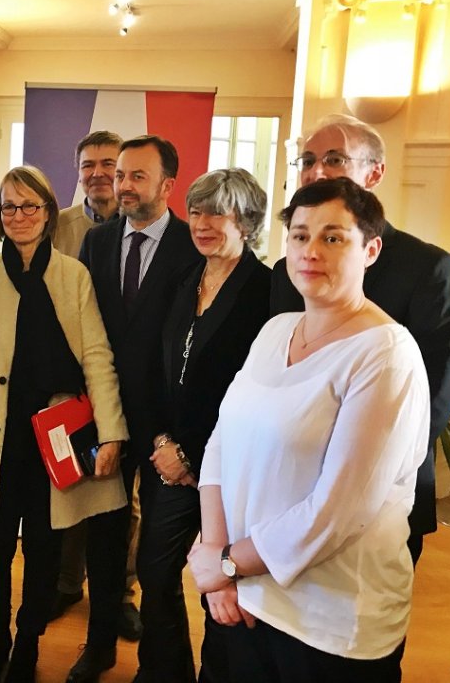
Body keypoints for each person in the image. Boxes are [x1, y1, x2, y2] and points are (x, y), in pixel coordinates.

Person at [189, 177, 430, 683]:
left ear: (371, 249)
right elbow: (220, 444)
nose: (311, 251)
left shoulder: (386, 354)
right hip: (242, 598)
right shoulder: (277, 329)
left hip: (327, 624)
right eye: (299, 236)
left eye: (333, 237)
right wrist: (217, 561)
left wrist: (229, 563)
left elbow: (338, 512)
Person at [0, 165, 128, 683]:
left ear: (49, 213)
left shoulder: (74, 276)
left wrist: (113, 432)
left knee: (45, 547)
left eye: (30, 206)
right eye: (9, 206)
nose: (19, 216)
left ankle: (27, 642)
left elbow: (97, 356)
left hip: (56, 438)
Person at [270, 114, 450, 569]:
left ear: (374, 173)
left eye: (335, 159)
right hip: (286, 484)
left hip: (380, 491)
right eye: (308, 160)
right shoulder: (286, 271)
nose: (317, 171)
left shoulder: (429, 268)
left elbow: (435, 393)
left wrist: (356, 476)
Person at [69, 135, 199, 683]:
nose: (122, 185)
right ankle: (97, 647)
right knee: (103, 540)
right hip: (105, 418)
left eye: (136, 176)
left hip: (168, 428)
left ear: (168, 185)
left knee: (160, 558)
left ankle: (158, 667)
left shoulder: (195, 247)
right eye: (120, 174)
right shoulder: (96, 244)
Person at [138, 168, 270, 683]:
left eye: (217, 211)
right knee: (155, 571)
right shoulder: (180, 279)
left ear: (247, 221)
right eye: (195, 210)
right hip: (169, 461)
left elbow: (254, 393)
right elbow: (152, 367)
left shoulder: (266, 291)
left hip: (231, 468)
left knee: (224, 586)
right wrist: (162, 442)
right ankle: (163, 673)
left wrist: (192, 452)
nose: (202, 222)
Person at [49, 130, 141, 640]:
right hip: (68, 383)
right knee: (71, 482)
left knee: (127, 501)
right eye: (89, 164)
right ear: (78, 170)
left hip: (126, 384)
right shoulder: (57, 225)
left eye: (111, 164)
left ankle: (122, 594)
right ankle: (66, 582)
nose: (100, 173)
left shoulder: (141, 226)